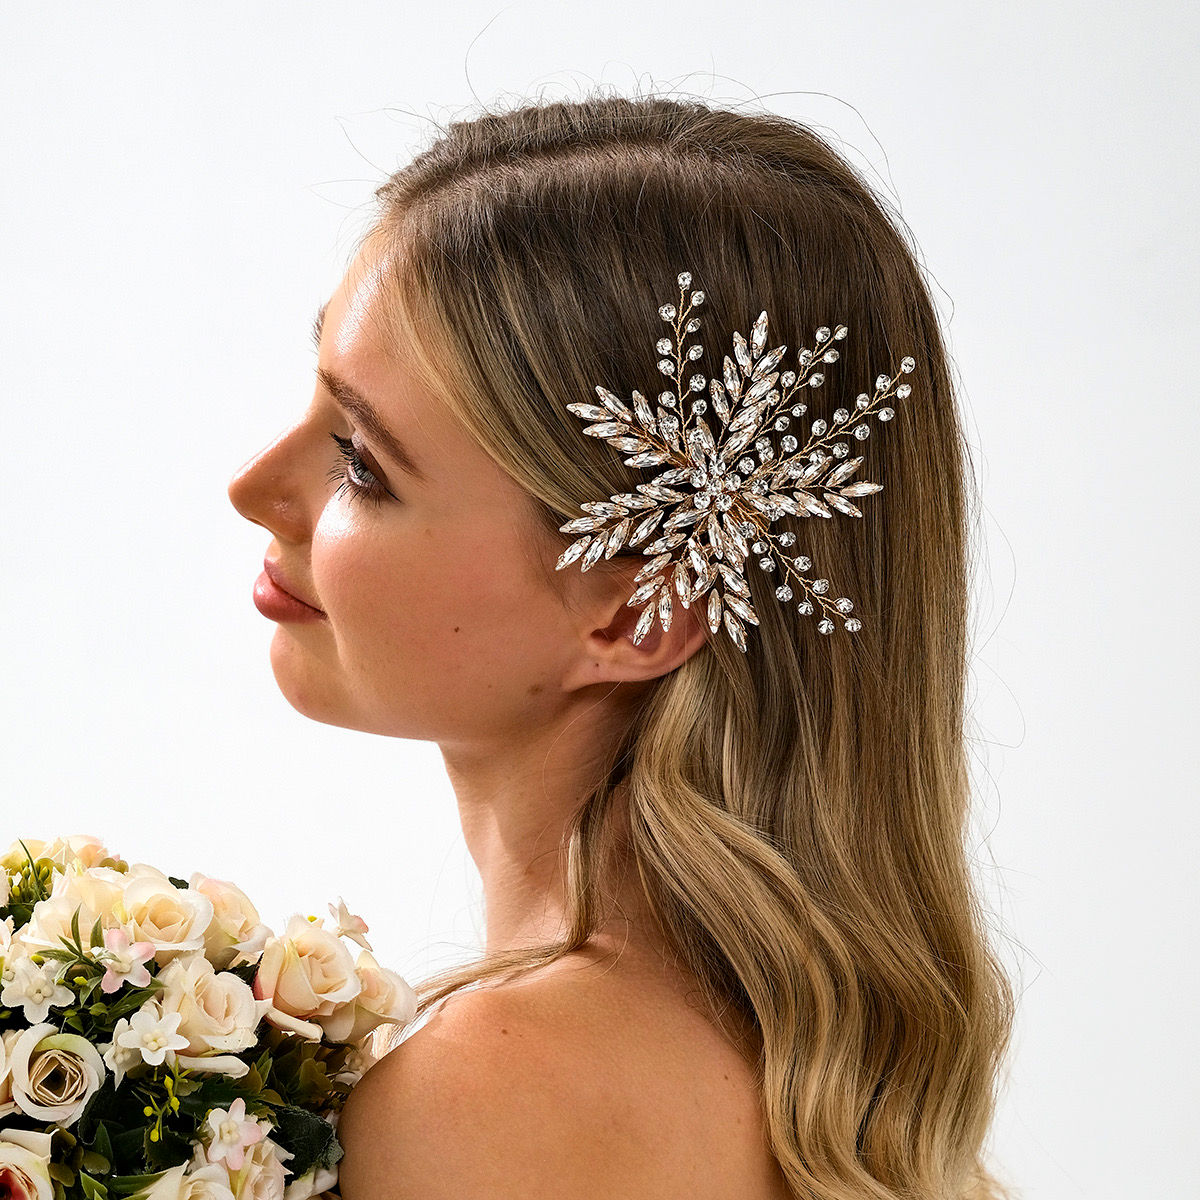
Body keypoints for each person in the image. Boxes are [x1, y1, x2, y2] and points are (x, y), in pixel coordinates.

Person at [227, 91, 1013, 1200]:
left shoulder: (488, 1099)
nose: (253, 488)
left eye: (362, 461)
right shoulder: (816, 1101)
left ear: (636, 613)